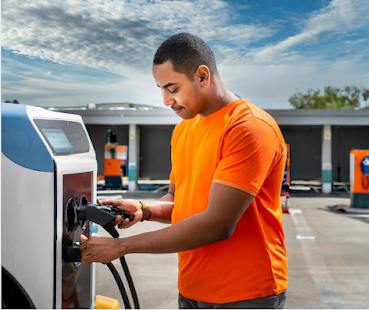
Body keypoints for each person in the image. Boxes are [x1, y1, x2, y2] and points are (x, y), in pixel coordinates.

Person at [80, 33, 288, 309]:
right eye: (161, 89)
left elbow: (218, 224)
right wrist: (145, 209)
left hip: (247, 293)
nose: (166, 100)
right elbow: (180, 201)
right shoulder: (183, 130)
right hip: (192, 288)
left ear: (202, 76)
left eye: (172, 88)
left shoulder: (248, 127)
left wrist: (121, 247)